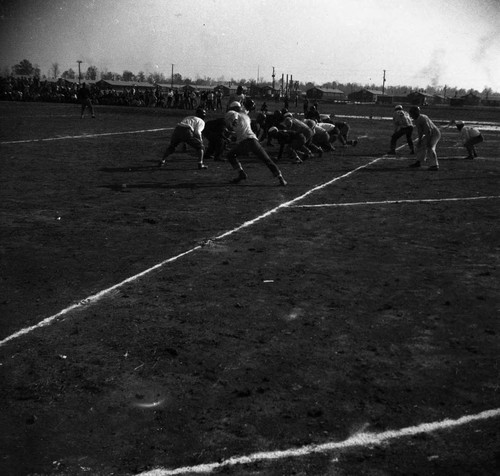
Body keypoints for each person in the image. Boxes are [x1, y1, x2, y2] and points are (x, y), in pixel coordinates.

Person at [224, 102, 287, 186]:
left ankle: (241, 173)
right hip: (253, 141)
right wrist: (231, 132)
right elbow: (240, 131)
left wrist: (233, 122)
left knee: (230, 155)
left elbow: (234, 115)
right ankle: (281, 178)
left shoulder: (234, 113)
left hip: (245, 142)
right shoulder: (246, 117)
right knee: (267, 160)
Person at [408, 106, 441, 171]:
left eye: (411, 113)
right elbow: (420, 132)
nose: (410, 115)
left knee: (430, 147)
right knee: (419, 146)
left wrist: (428, 141)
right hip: (430, 133)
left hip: (434, 134)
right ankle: (418, 162)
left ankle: (434, 165)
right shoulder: (417, 119)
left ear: (415, 113)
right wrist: (420, 140)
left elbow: (428, 131)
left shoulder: (422, 118)